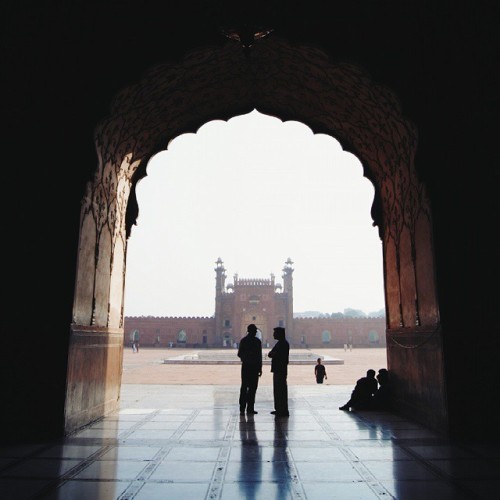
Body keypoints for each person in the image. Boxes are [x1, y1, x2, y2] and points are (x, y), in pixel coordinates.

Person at [237, 324, 262, 415]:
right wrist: (259, 368)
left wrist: (245, 359)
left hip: (246, 366)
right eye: (255, 331)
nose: (255, 332)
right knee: (252, 388)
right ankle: (250, 408)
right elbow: (259, 357)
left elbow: (239, 354)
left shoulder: (244, 341)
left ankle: (242, 407)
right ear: (250, 331)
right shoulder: (257, 342)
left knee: (245, 387)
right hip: (254, 367)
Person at [268, 326, 290, 417]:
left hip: (280, 369)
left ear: (279, 334)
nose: (273, 335)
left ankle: (283, 410)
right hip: (279, 369)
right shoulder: (281, 343)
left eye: (275, 333)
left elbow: (272, 354)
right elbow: (271, 354)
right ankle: (279, 409)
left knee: (280, 389)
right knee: (278, 389)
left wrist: (273, 354)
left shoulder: (282, 344)